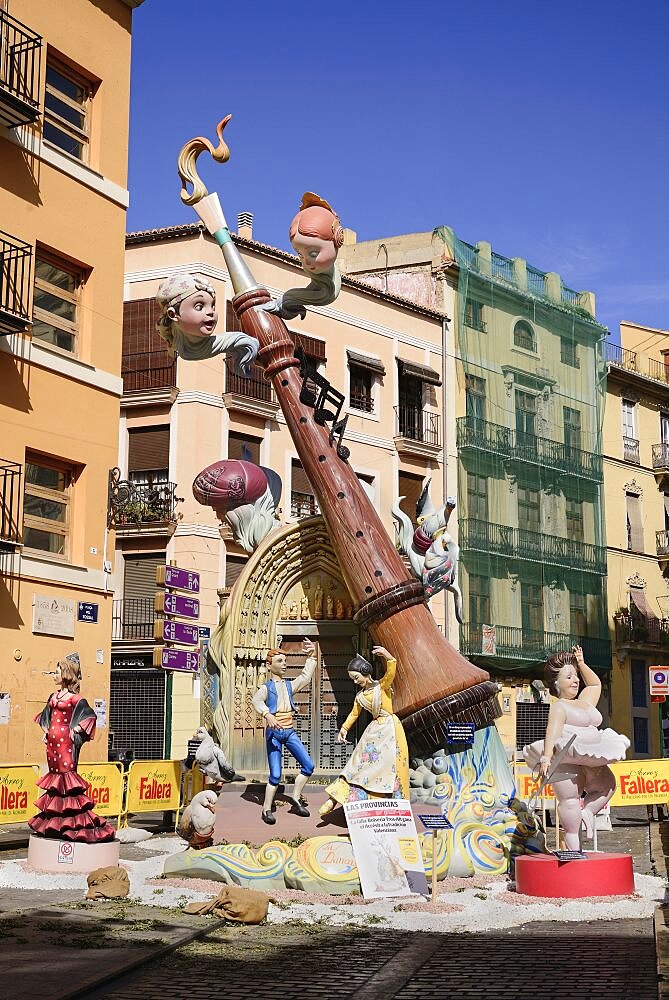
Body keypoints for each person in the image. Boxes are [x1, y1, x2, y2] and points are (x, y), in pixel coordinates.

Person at [523, 645, 629, 850]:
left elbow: (595, 684)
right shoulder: (560, 706)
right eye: (569, 676)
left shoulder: (585, 701)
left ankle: (588, 812)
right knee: (569, 804)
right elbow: (552, 731)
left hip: (590, 757)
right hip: (566, 761)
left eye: (576, 676)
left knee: (608, 785)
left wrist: (581, 663)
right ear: (557, 683)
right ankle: (573, 852)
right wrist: (545, 758)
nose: (575, 680)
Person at [29, 654, 115, 843]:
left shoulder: (76, 699)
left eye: (57, 671)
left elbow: (90, 716)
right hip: (52, 744)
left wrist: (77, 728)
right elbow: (46, 716)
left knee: (67, 781)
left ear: (67, 674)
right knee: (55, 782)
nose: (54, 674)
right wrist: (47, 731)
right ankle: (54, 824)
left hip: (66, 743)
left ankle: (74, 825)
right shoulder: (53, 696)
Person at [320, 646, 409, 816]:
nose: (355, 681)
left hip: (391, 731)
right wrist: (344, 728)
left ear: (365, 672)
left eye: (356, 677)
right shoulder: (360, 697)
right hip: (374, 732)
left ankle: (391, 807)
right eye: (352, 678)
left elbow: (391, 669)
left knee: (392, 767)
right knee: (358, 765)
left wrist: (386, 654)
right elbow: (354, 713)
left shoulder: (382, 687)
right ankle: (335, 797)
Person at [252, 639, 316, 824]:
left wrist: (311, 657)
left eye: (284, 660)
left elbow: (305, 677)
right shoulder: (266, 688)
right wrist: (267, 714)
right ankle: (266, 808)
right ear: (269, 665)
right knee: (275, 774)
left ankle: (296, 797)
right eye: (279, 661)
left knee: (308, 766)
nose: (284, 664)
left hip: (288, 731)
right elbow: (256, 701)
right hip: (274, 734)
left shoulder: (289, 686)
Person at [262, 193, 344, 320]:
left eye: (313, 254)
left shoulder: (327, 287)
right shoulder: (317, 281)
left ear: (338, 239)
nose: (306, 261)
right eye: (300, 254)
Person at [155, 273, 258, 373]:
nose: (211, 312)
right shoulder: (187, 351)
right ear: (173, 314)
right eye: (199, 307)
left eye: (212, 306)